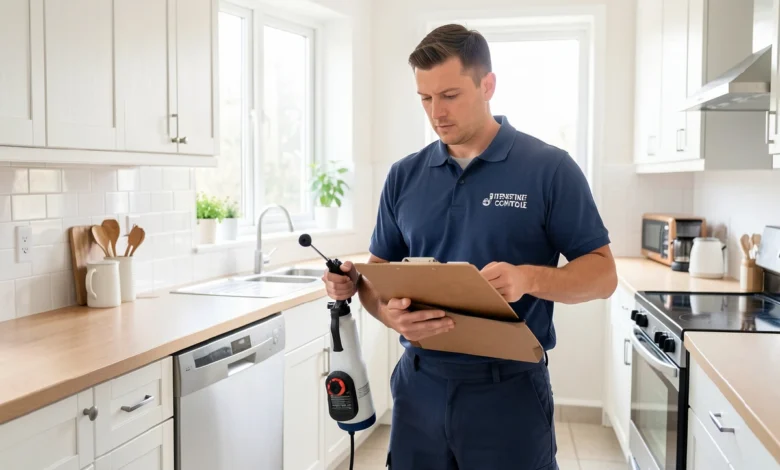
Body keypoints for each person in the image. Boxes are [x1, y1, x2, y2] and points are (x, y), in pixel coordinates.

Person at [322, 23, 617, 470]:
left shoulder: (549, 169)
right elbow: (375, 277)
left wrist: (528, 278)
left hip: (509, 393)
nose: (436, 112)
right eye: (425, 98)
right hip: (418, 387)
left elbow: (603, 275)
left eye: (450, 95)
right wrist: (388, 314)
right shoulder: (404, 176)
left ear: (488, 85)